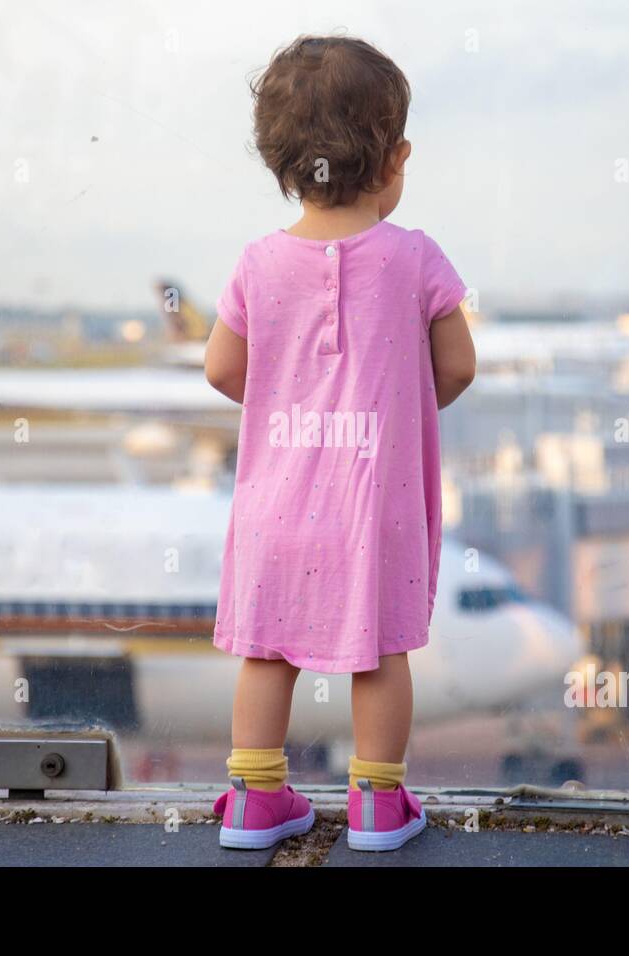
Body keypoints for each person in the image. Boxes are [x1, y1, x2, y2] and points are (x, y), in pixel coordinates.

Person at [204, 34, 476, 851]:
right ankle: (377, 807)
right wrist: (393, 407)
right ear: (394, 158)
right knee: (380, 652)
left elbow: (222, 369)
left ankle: (255, 800)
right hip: (374, 506)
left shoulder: (257, 263)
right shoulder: (415, 257)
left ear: (279, 161)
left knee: (266, 652)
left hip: (275, 508)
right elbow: (458, 365)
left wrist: (290, 404)